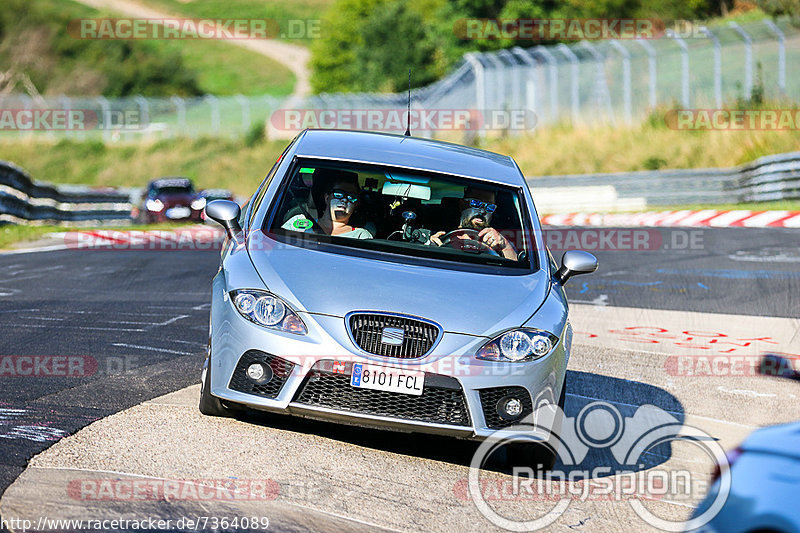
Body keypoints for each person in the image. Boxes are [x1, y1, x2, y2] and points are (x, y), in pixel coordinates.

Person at [430, 185, 517, 260]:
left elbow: (516, 270)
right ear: (462, 204)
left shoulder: (499, 242)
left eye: (489, 207)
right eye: (476, 203)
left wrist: (505, 246)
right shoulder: (439, 236)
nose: (482, 211)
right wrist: (431, 247)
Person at [282, 171, 373, 239]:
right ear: (327, 198)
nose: (344, 200)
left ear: (355, 204)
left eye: (351, 196)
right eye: (338, 194)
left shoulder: (361, 236)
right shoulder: (299, 222)